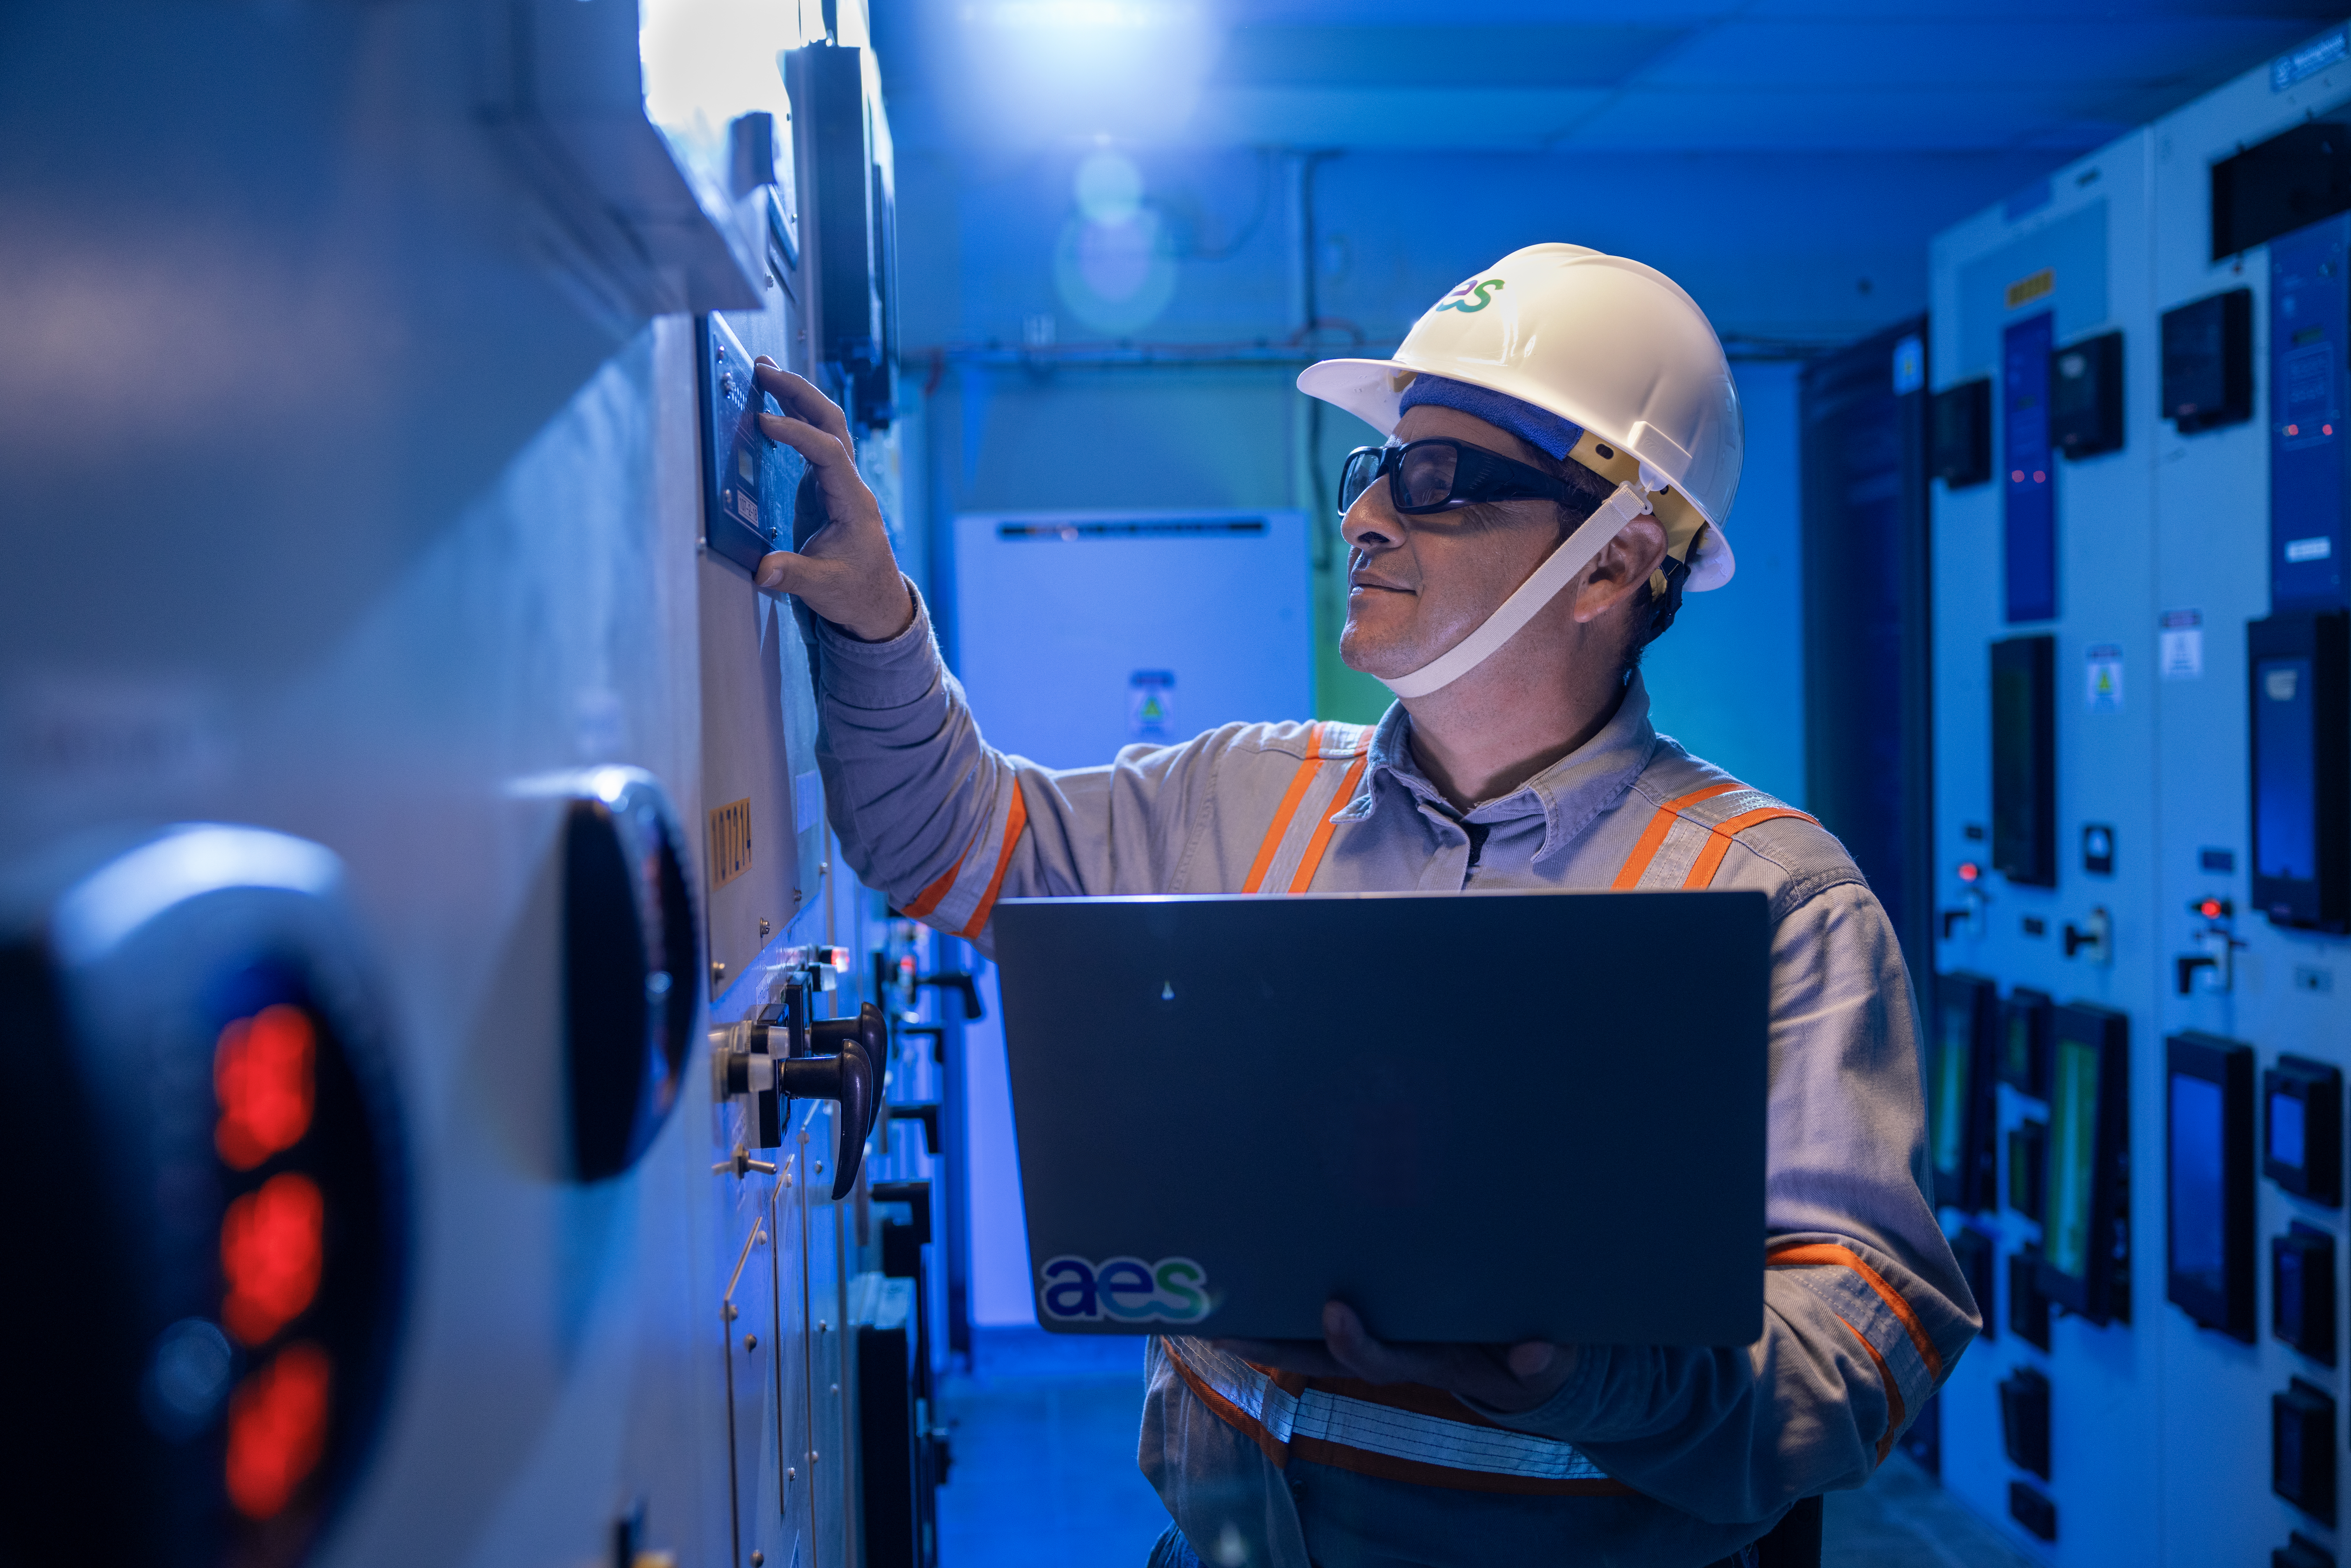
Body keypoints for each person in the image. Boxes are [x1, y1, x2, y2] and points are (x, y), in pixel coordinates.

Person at [751, 242, 1978, 1568]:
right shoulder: (1239, 793)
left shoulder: (1774, 897)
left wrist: (1578, 1374)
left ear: (1613, 564)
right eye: (1375, 470)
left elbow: (1864, 1342)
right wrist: (874, 620)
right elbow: (941, 839)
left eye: (1436, 478)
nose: (1366, 516)